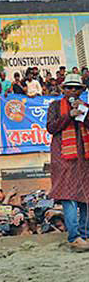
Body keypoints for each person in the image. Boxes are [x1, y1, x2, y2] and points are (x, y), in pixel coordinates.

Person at [46, 73, 89, 252]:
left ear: (81, 90)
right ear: (63, 89)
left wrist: (84, 113)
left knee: (86, 198)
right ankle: (74, 237)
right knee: (68, 198)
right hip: (63, 158)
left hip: (84, 160)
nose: (73, 91)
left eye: (76, 88)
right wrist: (69, 116)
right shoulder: (55, 106)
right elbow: (51, 127)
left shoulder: (86, 106)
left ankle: (85, 236)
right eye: (69, 87)